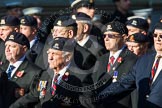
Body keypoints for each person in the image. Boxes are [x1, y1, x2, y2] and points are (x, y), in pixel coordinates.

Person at [98, 22, 162, 108]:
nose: (158, 39)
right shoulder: (144, 60)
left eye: (161, 36)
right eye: (155, 35)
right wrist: (100, 97)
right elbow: (124, 83)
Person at [94, 21, 137, 108]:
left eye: (110, 36)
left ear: (124, 38)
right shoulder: (101, 59)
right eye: (104, 35)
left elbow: (133, 93)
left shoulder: (133, 60)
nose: (106, 39)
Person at [0, 32, 43, 108]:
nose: (7, 49)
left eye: (12, 46)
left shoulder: (35, 72)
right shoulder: (2, 67)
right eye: (6, 45)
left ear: (24, 49)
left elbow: (34, 97)